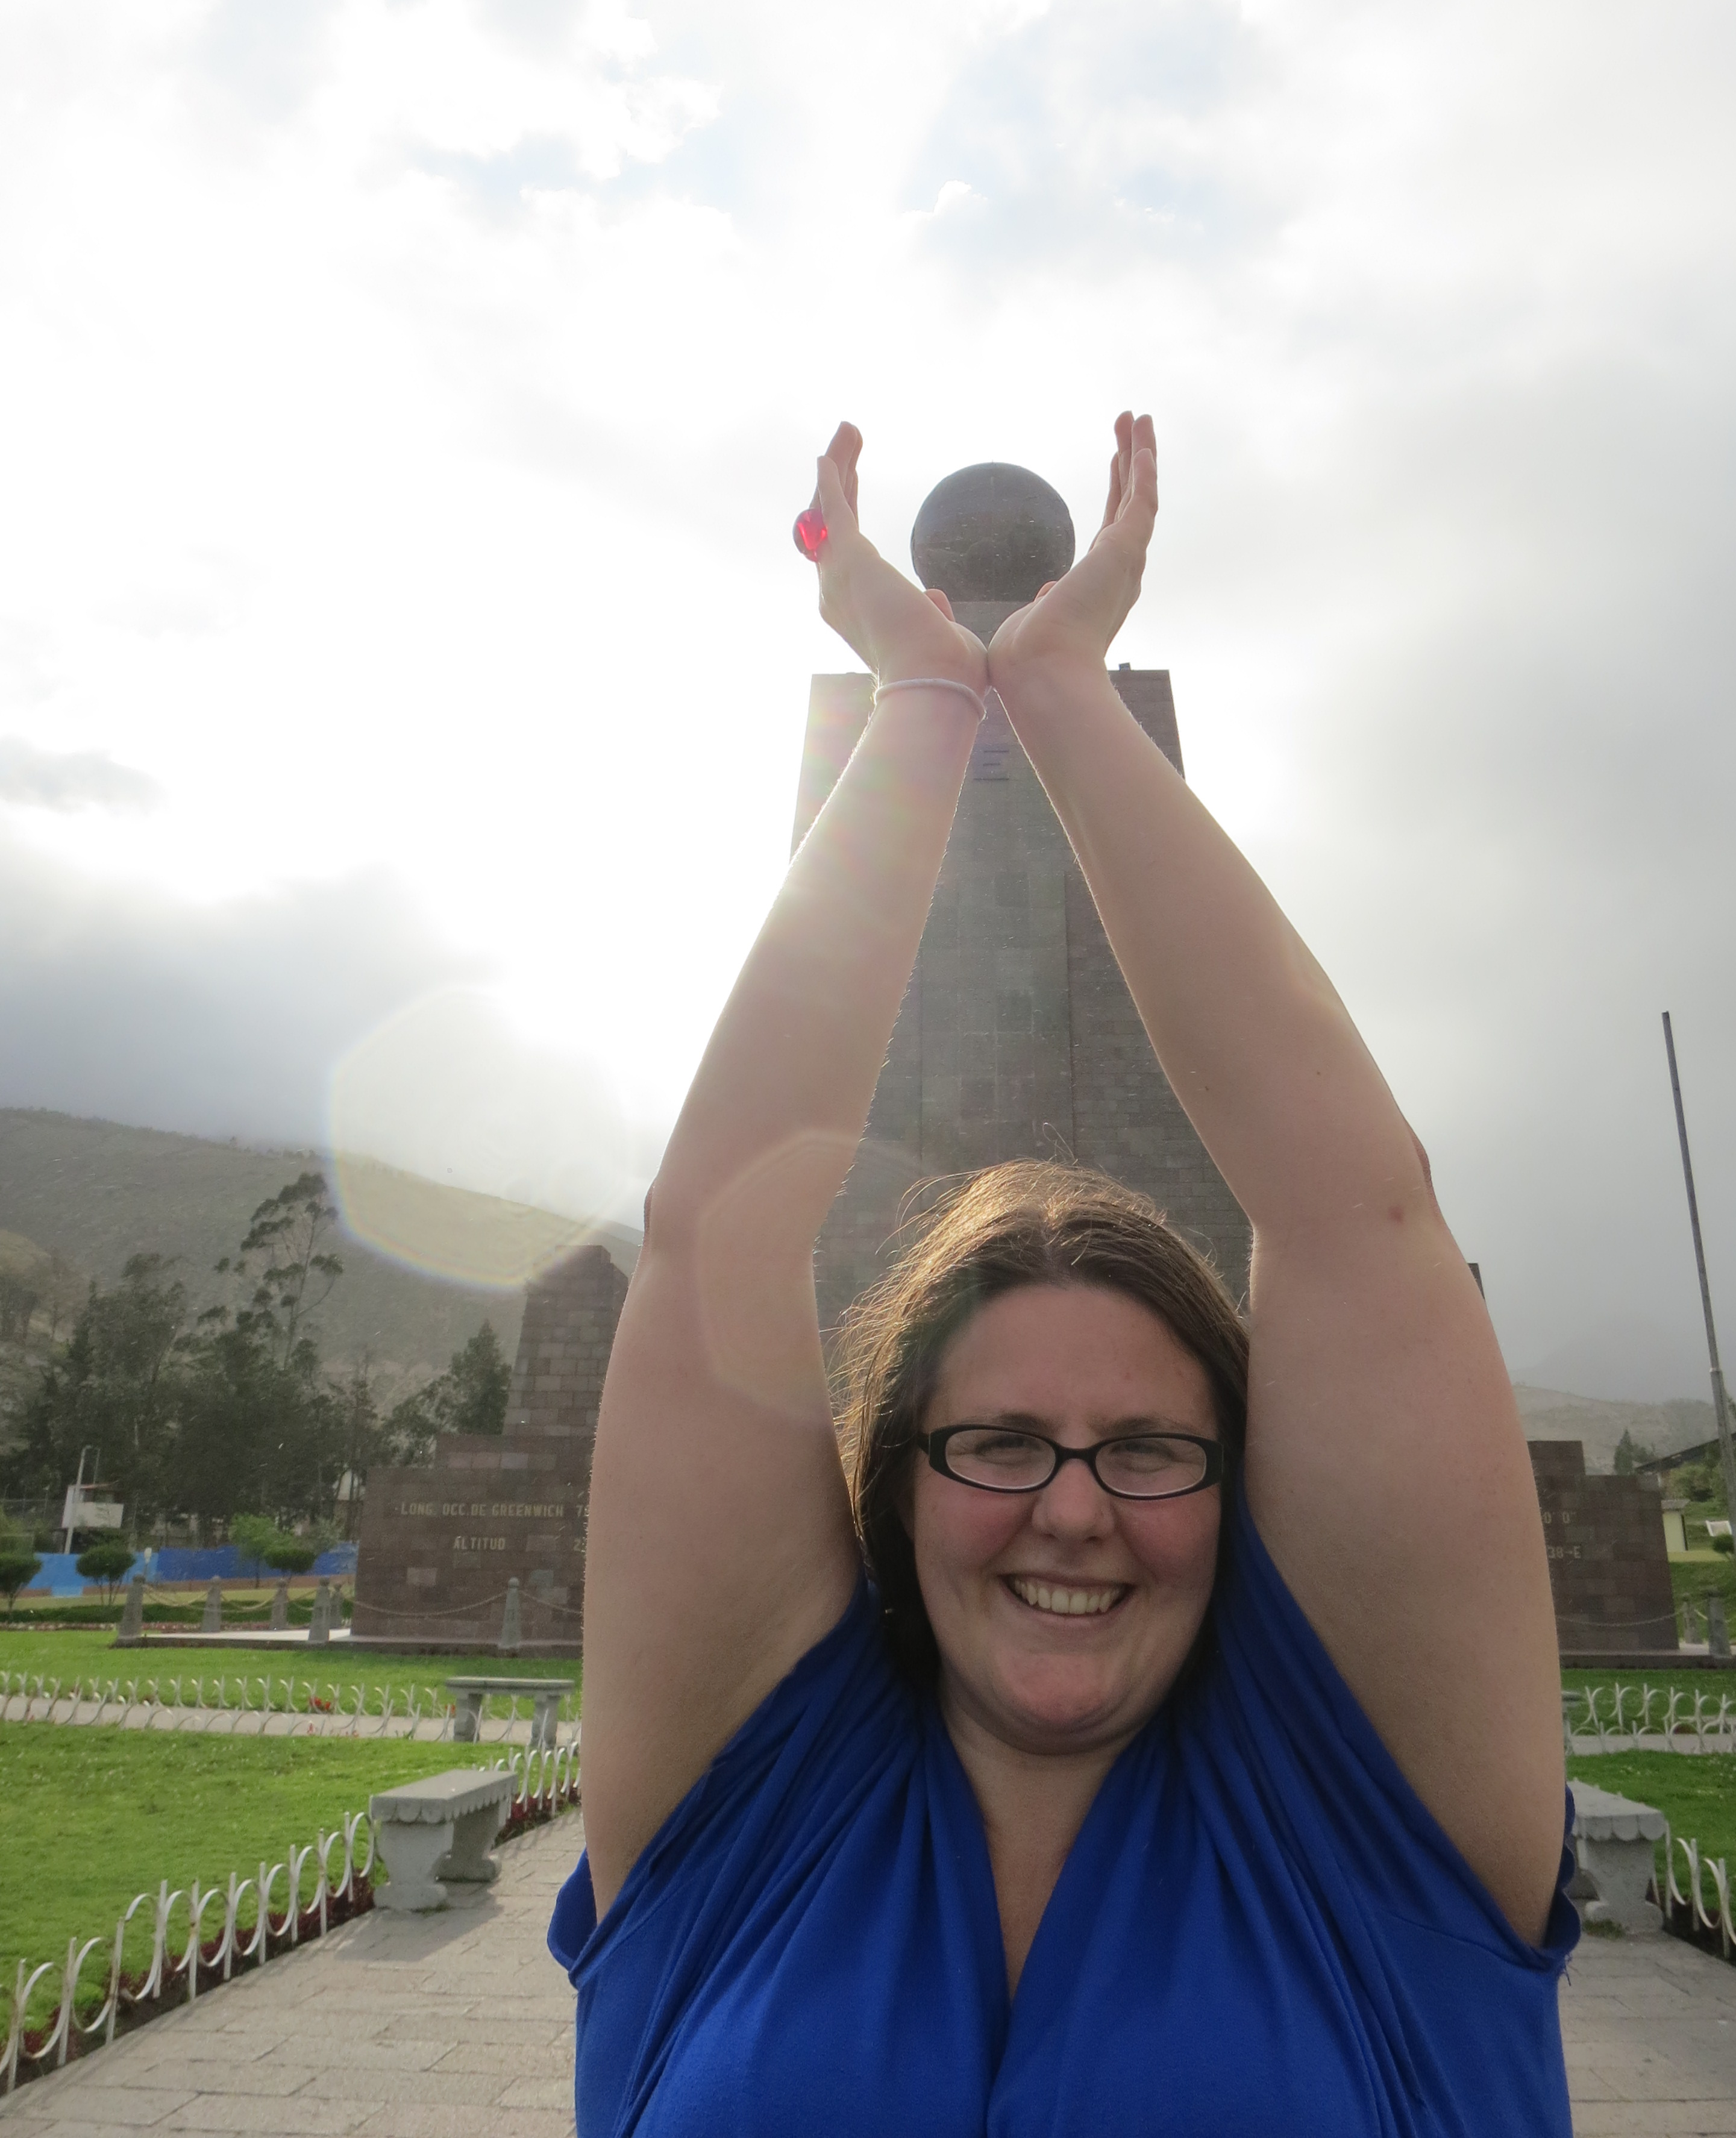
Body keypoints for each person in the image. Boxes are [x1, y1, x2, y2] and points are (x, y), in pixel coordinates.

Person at [550, 415, 1576, 2134]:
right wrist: (917, 692)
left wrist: (1060, 691)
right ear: (896, 1484)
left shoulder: (1376, 1842)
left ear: (1242, 1483)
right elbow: (712, 1230)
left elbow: (1361, 1219)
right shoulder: (746, 1818)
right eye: (1001, 1442)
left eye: (1151, 1449)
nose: (1075, 1508)